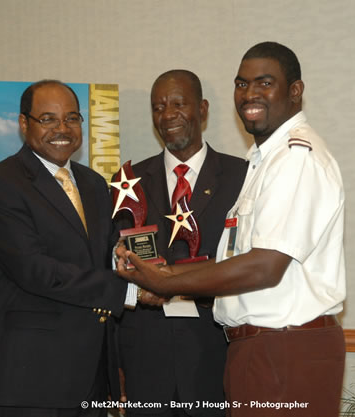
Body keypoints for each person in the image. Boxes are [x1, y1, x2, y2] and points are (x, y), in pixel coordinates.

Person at [116, 42, 347, 417]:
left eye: (265, 82)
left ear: (295, 91)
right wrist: (159, 273)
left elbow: (264, 267)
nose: (250, 94)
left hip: (283, 349)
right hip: (257, 349)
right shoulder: (261, 162)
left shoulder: (295, 159)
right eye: (242, 84)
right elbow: (232, 258)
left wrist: (165, 281)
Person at [0, 80, 144, 416]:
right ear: (24, 124)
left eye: (71, 118)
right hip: (33, 381)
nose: (62, 129)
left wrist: (139, 265)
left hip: (92, 377)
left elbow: (103, 256)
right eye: (48, 119)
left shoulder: (94, 184)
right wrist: (130, 292)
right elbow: (35, 271)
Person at [115, 70, 247, 417]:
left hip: (216, 358)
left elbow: (251, 265)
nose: (167, 115)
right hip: (145, 362)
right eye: (158, 107)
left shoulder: (243, 177)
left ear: (202, 109)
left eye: (178, 104)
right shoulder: (128, 183)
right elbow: (114, 271)